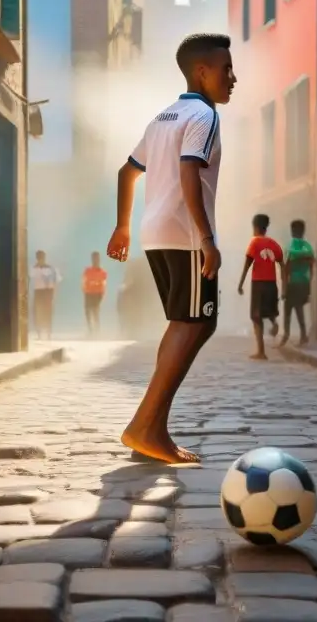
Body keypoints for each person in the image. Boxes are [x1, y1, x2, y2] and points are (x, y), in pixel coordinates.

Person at [106, 32, 235, 464]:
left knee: (186, 322)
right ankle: (144, 426)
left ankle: (152, 427)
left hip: (153, 233)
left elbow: (128, 172)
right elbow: (189, 175)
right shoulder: (203, 115)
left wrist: (122, 228)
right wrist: (206, 238)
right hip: (183, 235)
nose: (233, 78)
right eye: (226, 69)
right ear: (202, 71)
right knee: (196, 324)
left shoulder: (164, 116)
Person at [238, 213, 284, 360]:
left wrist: (240, 283)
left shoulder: (254, 242)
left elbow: (247, 264)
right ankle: (274, 321)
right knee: (269, 309)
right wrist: (284, 285)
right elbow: (282, 264)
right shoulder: (274, 244)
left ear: (255, 227)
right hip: (271, 283)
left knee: (256, 316)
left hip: (258, 283)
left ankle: (261, 351)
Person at [280, 219, 315, 347]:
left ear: (292, 231)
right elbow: (311, 260)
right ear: (303, 231)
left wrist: (284, 289)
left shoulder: (291, 245)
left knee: (289, 309)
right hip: (304, 282)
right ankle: (302, 335)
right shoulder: (307, 246)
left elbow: (285, 267)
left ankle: (288, 336)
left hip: (293, 282)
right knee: (298, 307)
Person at [30, 250, 61, 340]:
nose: (40, 259)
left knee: (48, 312)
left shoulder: (51, 268)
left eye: (41, 257)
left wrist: (54, 293)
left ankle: (48, 333)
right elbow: (30, 281)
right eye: (39, 257)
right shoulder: (33, 269)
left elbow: (56, 281)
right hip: (38, 292)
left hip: (48, 292)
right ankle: (39, 333)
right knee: (37, 312)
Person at [82, 252, 108, 337]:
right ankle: (90, 330)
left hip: (97, 293)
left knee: (95, 311)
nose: (95, 260)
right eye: (94, 258)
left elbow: (104, 283)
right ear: (92, 259)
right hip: (88, 292)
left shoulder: (102, 272)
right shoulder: (87, 270)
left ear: (99, 259)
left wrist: (103, 293)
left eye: (97, 258)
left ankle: (97, 330)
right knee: (88, 312)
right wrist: (84, 289)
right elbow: (83, 280)